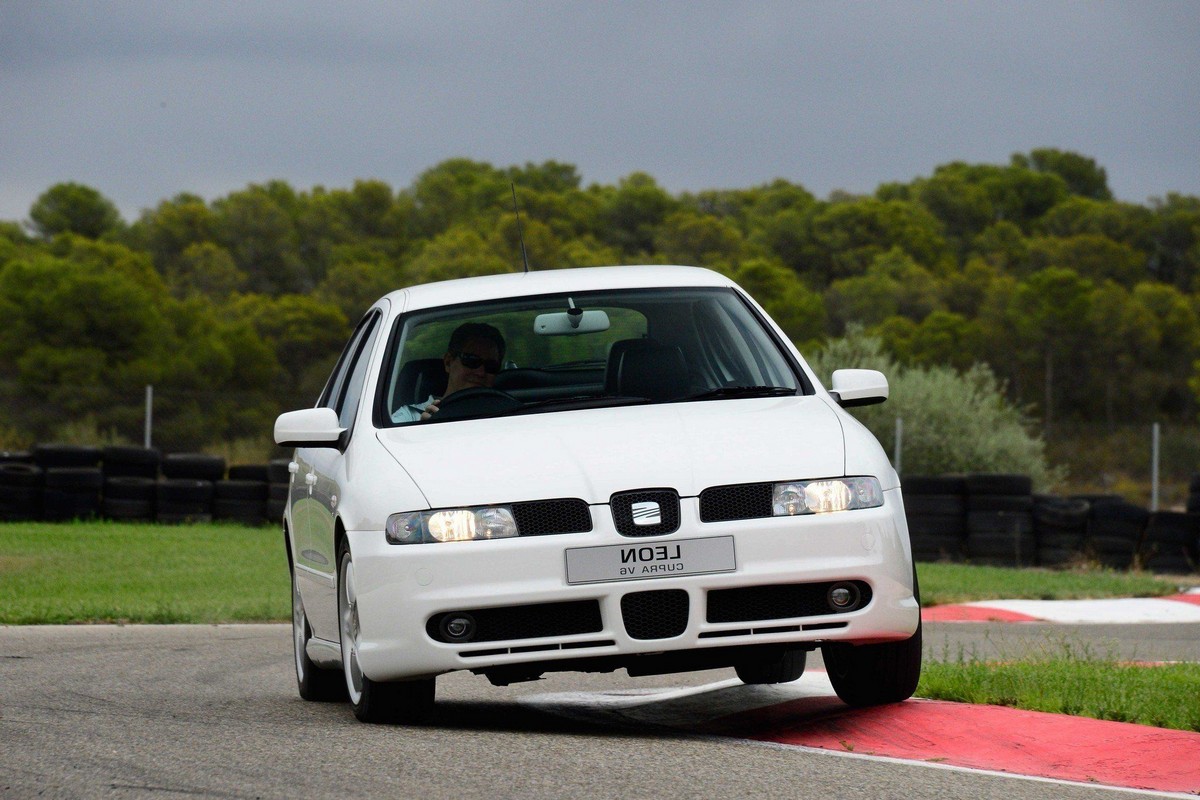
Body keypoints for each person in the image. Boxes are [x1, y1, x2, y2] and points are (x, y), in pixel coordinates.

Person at [392, 322, 506, 423]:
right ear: (448, 362)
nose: (480, 372)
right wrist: (422, 430)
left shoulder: (508, 415)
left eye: (491, 365)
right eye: (471, 360)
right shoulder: (409, 417)